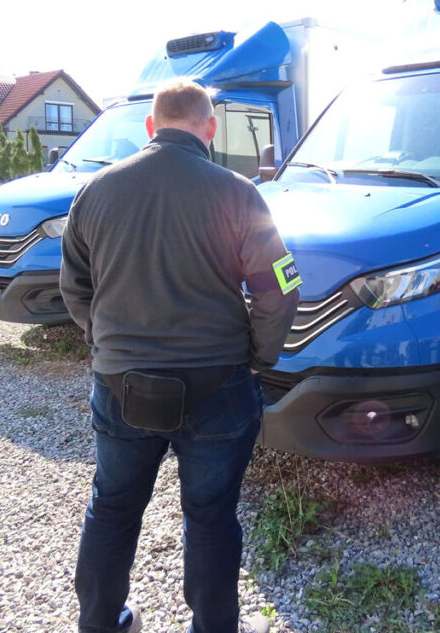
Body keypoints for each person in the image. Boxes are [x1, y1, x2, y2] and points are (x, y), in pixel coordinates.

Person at [60, 78, 300, 633]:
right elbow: (280, 286)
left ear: (151, 126)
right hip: (218, 386)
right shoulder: (238, 192)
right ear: (210, 129)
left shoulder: (95, 191)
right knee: (211, 516)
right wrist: (260, 355)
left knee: (113, 506)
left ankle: (99, 622)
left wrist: (110, 344)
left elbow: (75, 286)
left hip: (121, 386)